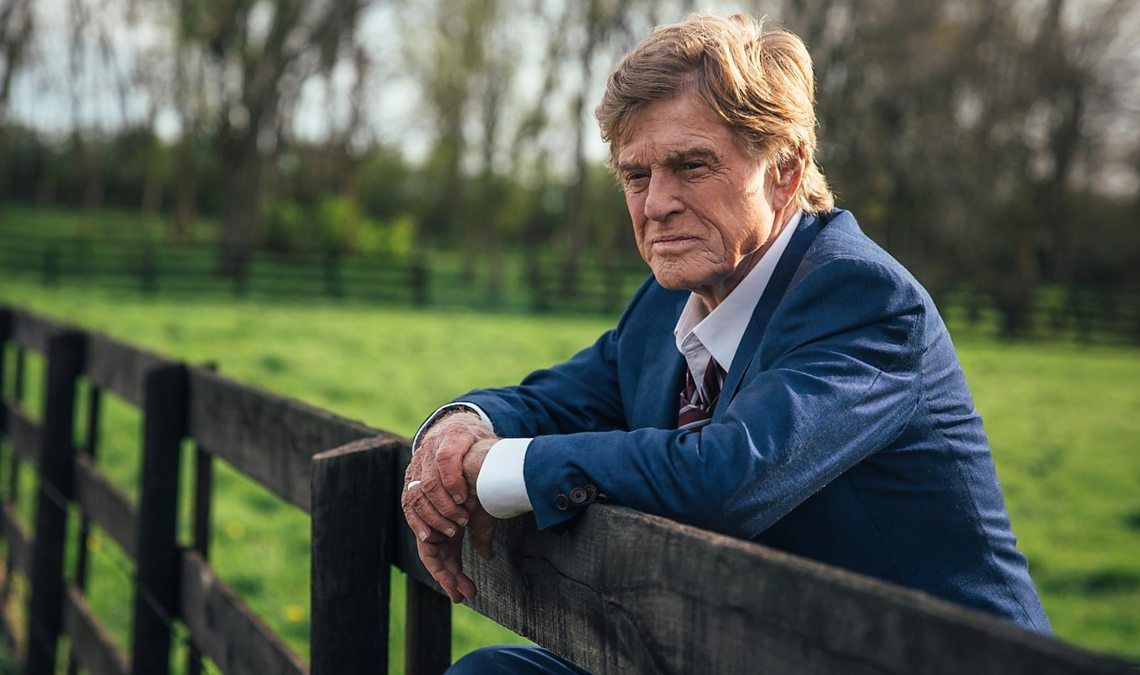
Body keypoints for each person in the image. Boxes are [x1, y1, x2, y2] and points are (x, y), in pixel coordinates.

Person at [401, 13, 1051, 674]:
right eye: (636, 176)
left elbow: (726, 477)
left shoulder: (861, 298)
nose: (657, 204)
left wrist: (497, 470)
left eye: (691, 166)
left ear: (785, 171)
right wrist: (460, 431)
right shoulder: (666, 299)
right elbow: (557, 401)